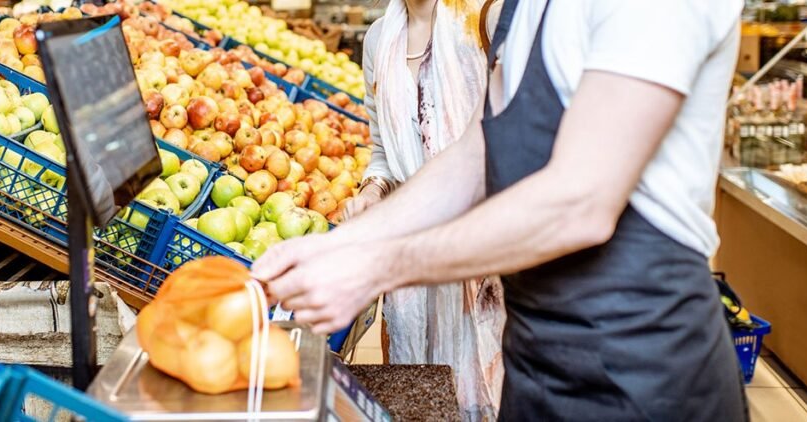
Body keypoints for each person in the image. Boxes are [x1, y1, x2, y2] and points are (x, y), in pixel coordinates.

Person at [252, 0, 748, 420]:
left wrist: (376, 265)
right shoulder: (523, 8)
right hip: (536, 357)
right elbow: (475, 158)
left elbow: (581, 201)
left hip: (640, 368)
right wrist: (336, 245)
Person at [345, 0, 505, 419]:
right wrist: (372, 190)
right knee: (420, 398)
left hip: (489, 260)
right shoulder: (379, 39)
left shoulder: (484, 19)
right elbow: (383, 149)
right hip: (411, 272)